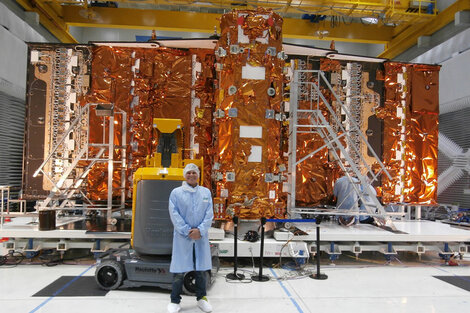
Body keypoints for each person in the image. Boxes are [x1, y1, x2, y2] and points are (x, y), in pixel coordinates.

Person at [167, 163, 214, 313]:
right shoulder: (176, 193)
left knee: (201, 270)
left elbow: (209, 214)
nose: (192, 175)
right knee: (179, 271)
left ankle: (202, 299)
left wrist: (200, 230)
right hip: (183, 237)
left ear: (198, 175)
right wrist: (187, 231)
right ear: (184, 175)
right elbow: (174, 214)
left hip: (200, 236)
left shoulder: (206, 192)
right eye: (189, 173)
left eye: (194, 173)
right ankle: (175, 301)